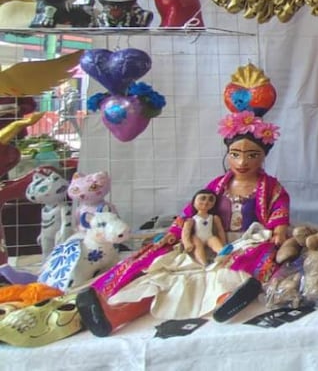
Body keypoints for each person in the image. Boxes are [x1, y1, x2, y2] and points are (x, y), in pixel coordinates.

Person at [76, 67, 290, 336]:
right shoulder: (217, 186)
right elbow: (191, 212)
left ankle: (228, 301)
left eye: (251, 156)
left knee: (233, 273)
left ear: (263, 156)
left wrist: (280, 229)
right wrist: (176, 232)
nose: (242, 162)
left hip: (247, 243)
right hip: (208, 240)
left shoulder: (270, 187)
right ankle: (113, 312)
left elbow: (279, 211)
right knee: (166, 274)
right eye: (235, 154)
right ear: (228, 153)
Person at [181, 190, 227, 266]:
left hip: (209, 237)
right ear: (194, 202)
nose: (206, 202)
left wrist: (223, 241)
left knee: (214, 240)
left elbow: (220, 230)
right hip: (197, 237)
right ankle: (203, 262)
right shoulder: (192, 219)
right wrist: (187, 243)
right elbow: (186, 232)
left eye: (210, 200)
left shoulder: (214, 217)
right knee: (198, 245)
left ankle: (222, 253)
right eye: (202, 198)